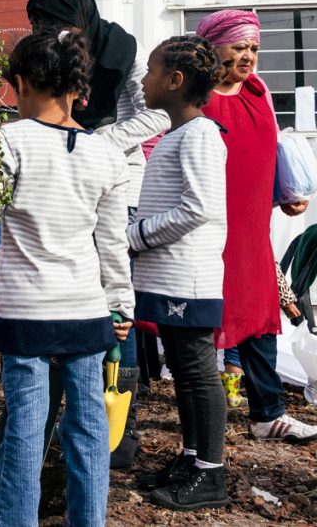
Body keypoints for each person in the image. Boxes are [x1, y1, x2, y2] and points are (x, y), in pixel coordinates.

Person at [0, 29, 134, 527]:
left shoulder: (8, 140)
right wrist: (122, 306)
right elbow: (113, 243)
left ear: (21, 84)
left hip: (25, 313)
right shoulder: (108, 155)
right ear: (75, 86)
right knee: (88, 429)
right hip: (86, 313)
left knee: (26, 430)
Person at [26, 0, 170, 467]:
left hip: (117, 181)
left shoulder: (123, 50)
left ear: (82, 13)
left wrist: (101, 142)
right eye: (43, 24)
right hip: (67, 177)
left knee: (117, 312)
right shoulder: (54, 52)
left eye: (60, 22)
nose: (55, 32)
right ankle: (54, 423)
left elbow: (158, 117)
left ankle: (121, 426)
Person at [197, 10, 317, 443]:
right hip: (207, 226)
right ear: (212, 46)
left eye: (254, 49)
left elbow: (265, 152)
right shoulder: (194, 96)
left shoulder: (258, 90)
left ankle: (268, 414)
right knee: (203, 321)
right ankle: (198, 423)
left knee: (262, 317)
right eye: (239, 47)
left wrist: (284, 196)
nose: (248, 57)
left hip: (252, 227)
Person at [128, 36, 229, 509]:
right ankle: (191, 458)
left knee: (197, 372)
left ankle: (211, 474)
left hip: (187, 278)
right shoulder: (177, 134)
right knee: (184, 372)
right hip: (169, 277)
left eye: (150, 71)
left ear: (175, 80)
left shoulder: (200, 135)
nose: (144, 80)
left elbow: (199, 208)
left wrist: (138, 234)